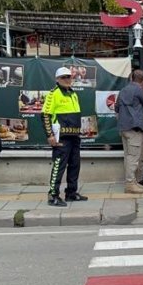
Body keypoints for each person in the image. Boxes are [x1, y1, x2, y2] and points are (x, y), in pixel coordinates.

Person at [43, 67, 87, 207]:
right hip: (61, 137)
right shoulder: (53, 94)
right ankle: (53, 195)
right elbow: (45, 115)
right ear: (57, 79)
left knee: (75, 165)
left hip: (74, 135)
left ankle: (71, 193)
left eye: (69, 77)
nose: (68, 79)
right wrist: (49, 135)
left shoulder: (73, 93)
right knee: (59, 166)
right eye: (64, 77)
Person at [116, 69, 143, 194]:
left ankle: (134, 182)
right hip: (135, 128)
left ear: (131, 78)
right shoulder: (139, 90)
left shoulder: (122, 91)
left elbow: (117, 108)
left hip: (124, 128)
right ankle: (130, 184)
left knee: (129, 156)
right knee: (133, 157)